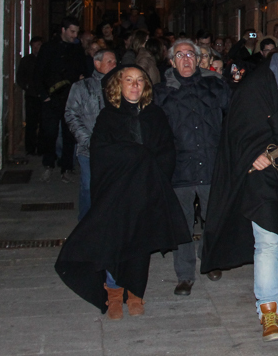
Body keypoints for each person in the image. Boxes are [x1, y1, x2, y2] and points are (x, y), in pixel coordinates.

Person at [201, 25, 278, 342]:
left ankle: (276, 303)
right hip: (261, 177)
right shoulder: (256, 84)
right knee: (268, 241)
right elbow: (238, 129)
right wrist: (253, 153)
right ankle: (268, 309)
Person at [54, 65, 190, 321]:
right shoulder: (109, 117)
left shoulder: (155, 115)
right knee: (115, 240)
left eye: (140, 80)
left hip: (146, 189)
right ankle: (114, 291)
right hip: (116, 191)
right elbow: (102, 153)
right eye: (129, 80)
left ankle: (136, 293)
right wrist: (137, 157)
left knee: (140, 242)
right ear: (119, 85)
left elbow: (166, 151)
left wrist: (152, 171)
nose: (135, 85)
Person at [154, 39, 231, 296]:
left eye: (190, 54)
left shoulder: (215, 84)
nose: (185, 59)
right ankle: (184, 275)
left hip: (211, 166)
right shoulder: (162, 92)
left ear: (198, 59)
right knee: (182, 224)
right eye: (180, 55)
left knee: (214, 218)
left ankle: (210, 261)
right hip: (179, 169)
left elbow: (234, 116)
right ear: (172, 61)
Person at [64, 49, 117, 220]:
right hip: (89, 149)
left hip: (113, 148)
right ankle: (86, 223)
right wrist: (85, 139)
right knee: (88, 186)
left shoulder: (120, 86)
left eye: (115, 62)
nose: (114, 65)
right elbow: (71, 114)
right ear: (97, 63)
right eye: (109, 61)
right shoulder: (81, 87)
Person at [34, 17, 86, 182]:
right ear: (63, 30)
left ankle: (66, 167)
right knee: (50, 132)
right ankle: (49, 164)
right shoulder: (48, 48)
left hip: (70, 97)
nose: (74, 35)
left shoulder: (77, 49)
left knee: (70, 133)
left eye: (77, 32)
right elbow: (39, 73)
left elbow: (81, 69)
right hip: (52, 97)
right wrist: (44, 96)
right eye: (72, 31)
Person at [16, 36, 43, 156]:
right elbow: (20, 77)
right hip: (31, 95)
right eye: (35, 46)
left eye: (39, 46)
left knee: (43, 123)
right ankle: (30, 148)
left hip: (43, 95)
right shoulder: (26, 60)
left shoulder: (46, 60)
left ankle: (42, 147)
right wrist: (26, 86)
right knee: (31, 123)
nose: (37, 48)